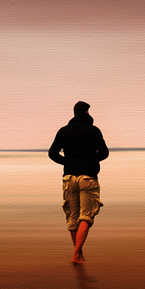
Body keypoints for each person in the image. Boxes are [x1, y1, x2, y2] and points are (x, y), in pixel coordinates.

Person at [48, 101, 109, 264]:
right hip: (88, 177)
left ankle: (79, 254)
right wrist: (89, 161)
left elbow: (52, 153)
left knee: (73, 218)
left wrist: (68, 162)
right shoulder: (94, 130)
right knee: (86, 217)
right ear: (87, 112)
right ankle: (76, 255)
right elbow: (104, 153)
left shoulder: (64, 131)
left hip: (69, 178)